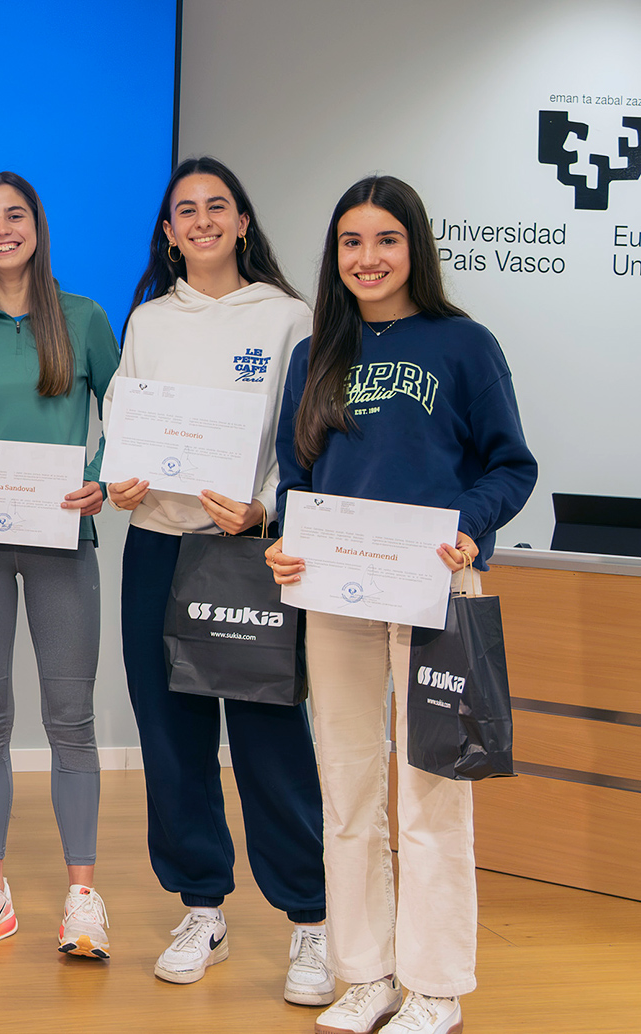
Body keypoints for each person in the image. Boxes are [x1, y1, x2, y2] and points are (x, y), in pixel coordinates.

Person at [266, 175, 536, 1034]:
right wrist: (283, 538)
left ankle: (436, 984)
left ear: (414, 245)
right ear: (334, 255)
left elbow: (511, 466)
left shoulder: (464, 345)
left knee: (430, 791)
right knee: (346, 787)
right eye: (351, 241)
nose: (368, 257)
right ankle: (367, 972)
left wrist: (468, 526)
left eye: (386, 239)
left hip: (434, 585)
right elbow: (298, 480)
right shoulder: (318, 354)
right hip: (335, 593)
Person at [102, 157, 332, 1004]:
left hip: (248, 552)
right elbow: (126, 419)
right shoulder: (149, 319)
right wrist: (119, 475)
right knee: (172, 736)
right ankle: (203, 906)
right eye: (184, 211)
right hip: (157, 548)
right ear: (167, 233)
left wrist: (266, 510)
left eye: (216, 208)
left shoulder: (290, 317)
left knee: (271, 737)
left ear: (242, 222)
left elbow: (305, 436)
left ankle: (311, 919)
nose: (201, 222)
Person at [0, 171, 118, 958]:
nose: (2, 230)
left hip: (61, 542)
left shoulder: (85, 318)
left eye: (15, 216)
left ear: (37, 225)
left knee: (71, 720)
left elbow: (129, 414)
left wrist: (103, 476)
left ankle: (81, 899)